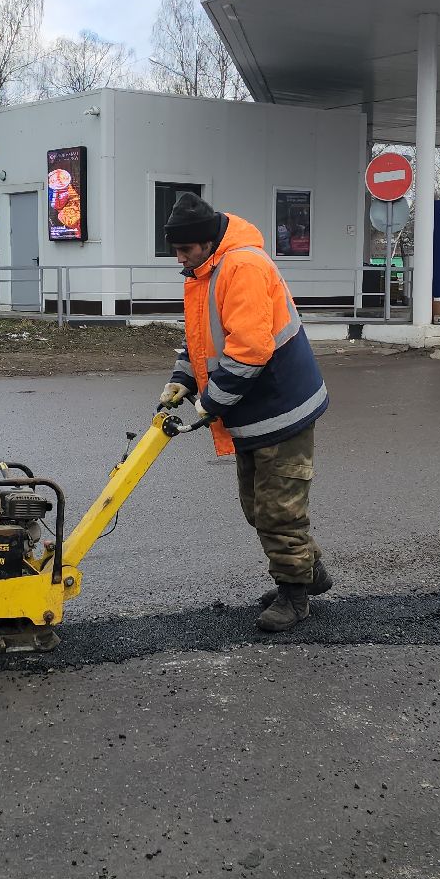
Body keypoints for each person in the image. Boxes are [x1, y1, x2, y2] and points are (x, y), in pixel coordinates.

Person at [157, 193, 331, 633]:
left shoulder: (242, 267)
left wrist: (209, 404)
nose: (179, 258)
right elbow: (203, 339)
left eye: (185, 250)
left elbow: (250, 350)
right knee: (258, 508)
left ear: (206, 241)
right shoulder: (204, 272)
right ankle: (309, 573)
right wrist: (184, 378)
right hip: (253, 411)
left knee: (279, 512)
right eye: (175, 250)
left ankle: (295, 596)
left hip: (280, 406)